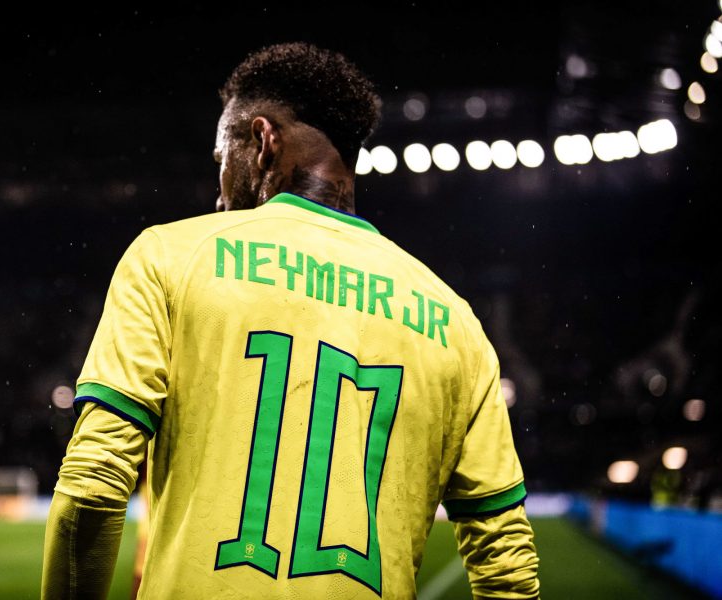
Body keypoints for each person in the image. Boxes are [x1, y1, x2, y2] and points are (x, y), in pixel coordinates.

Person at [41, 42, 540, 599]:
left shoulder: (169, 256)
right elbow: (506, 561)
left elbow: (93, 487)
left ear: (262, 141)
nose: (218, 191)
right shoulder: (454, 320)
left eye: (221, 158)